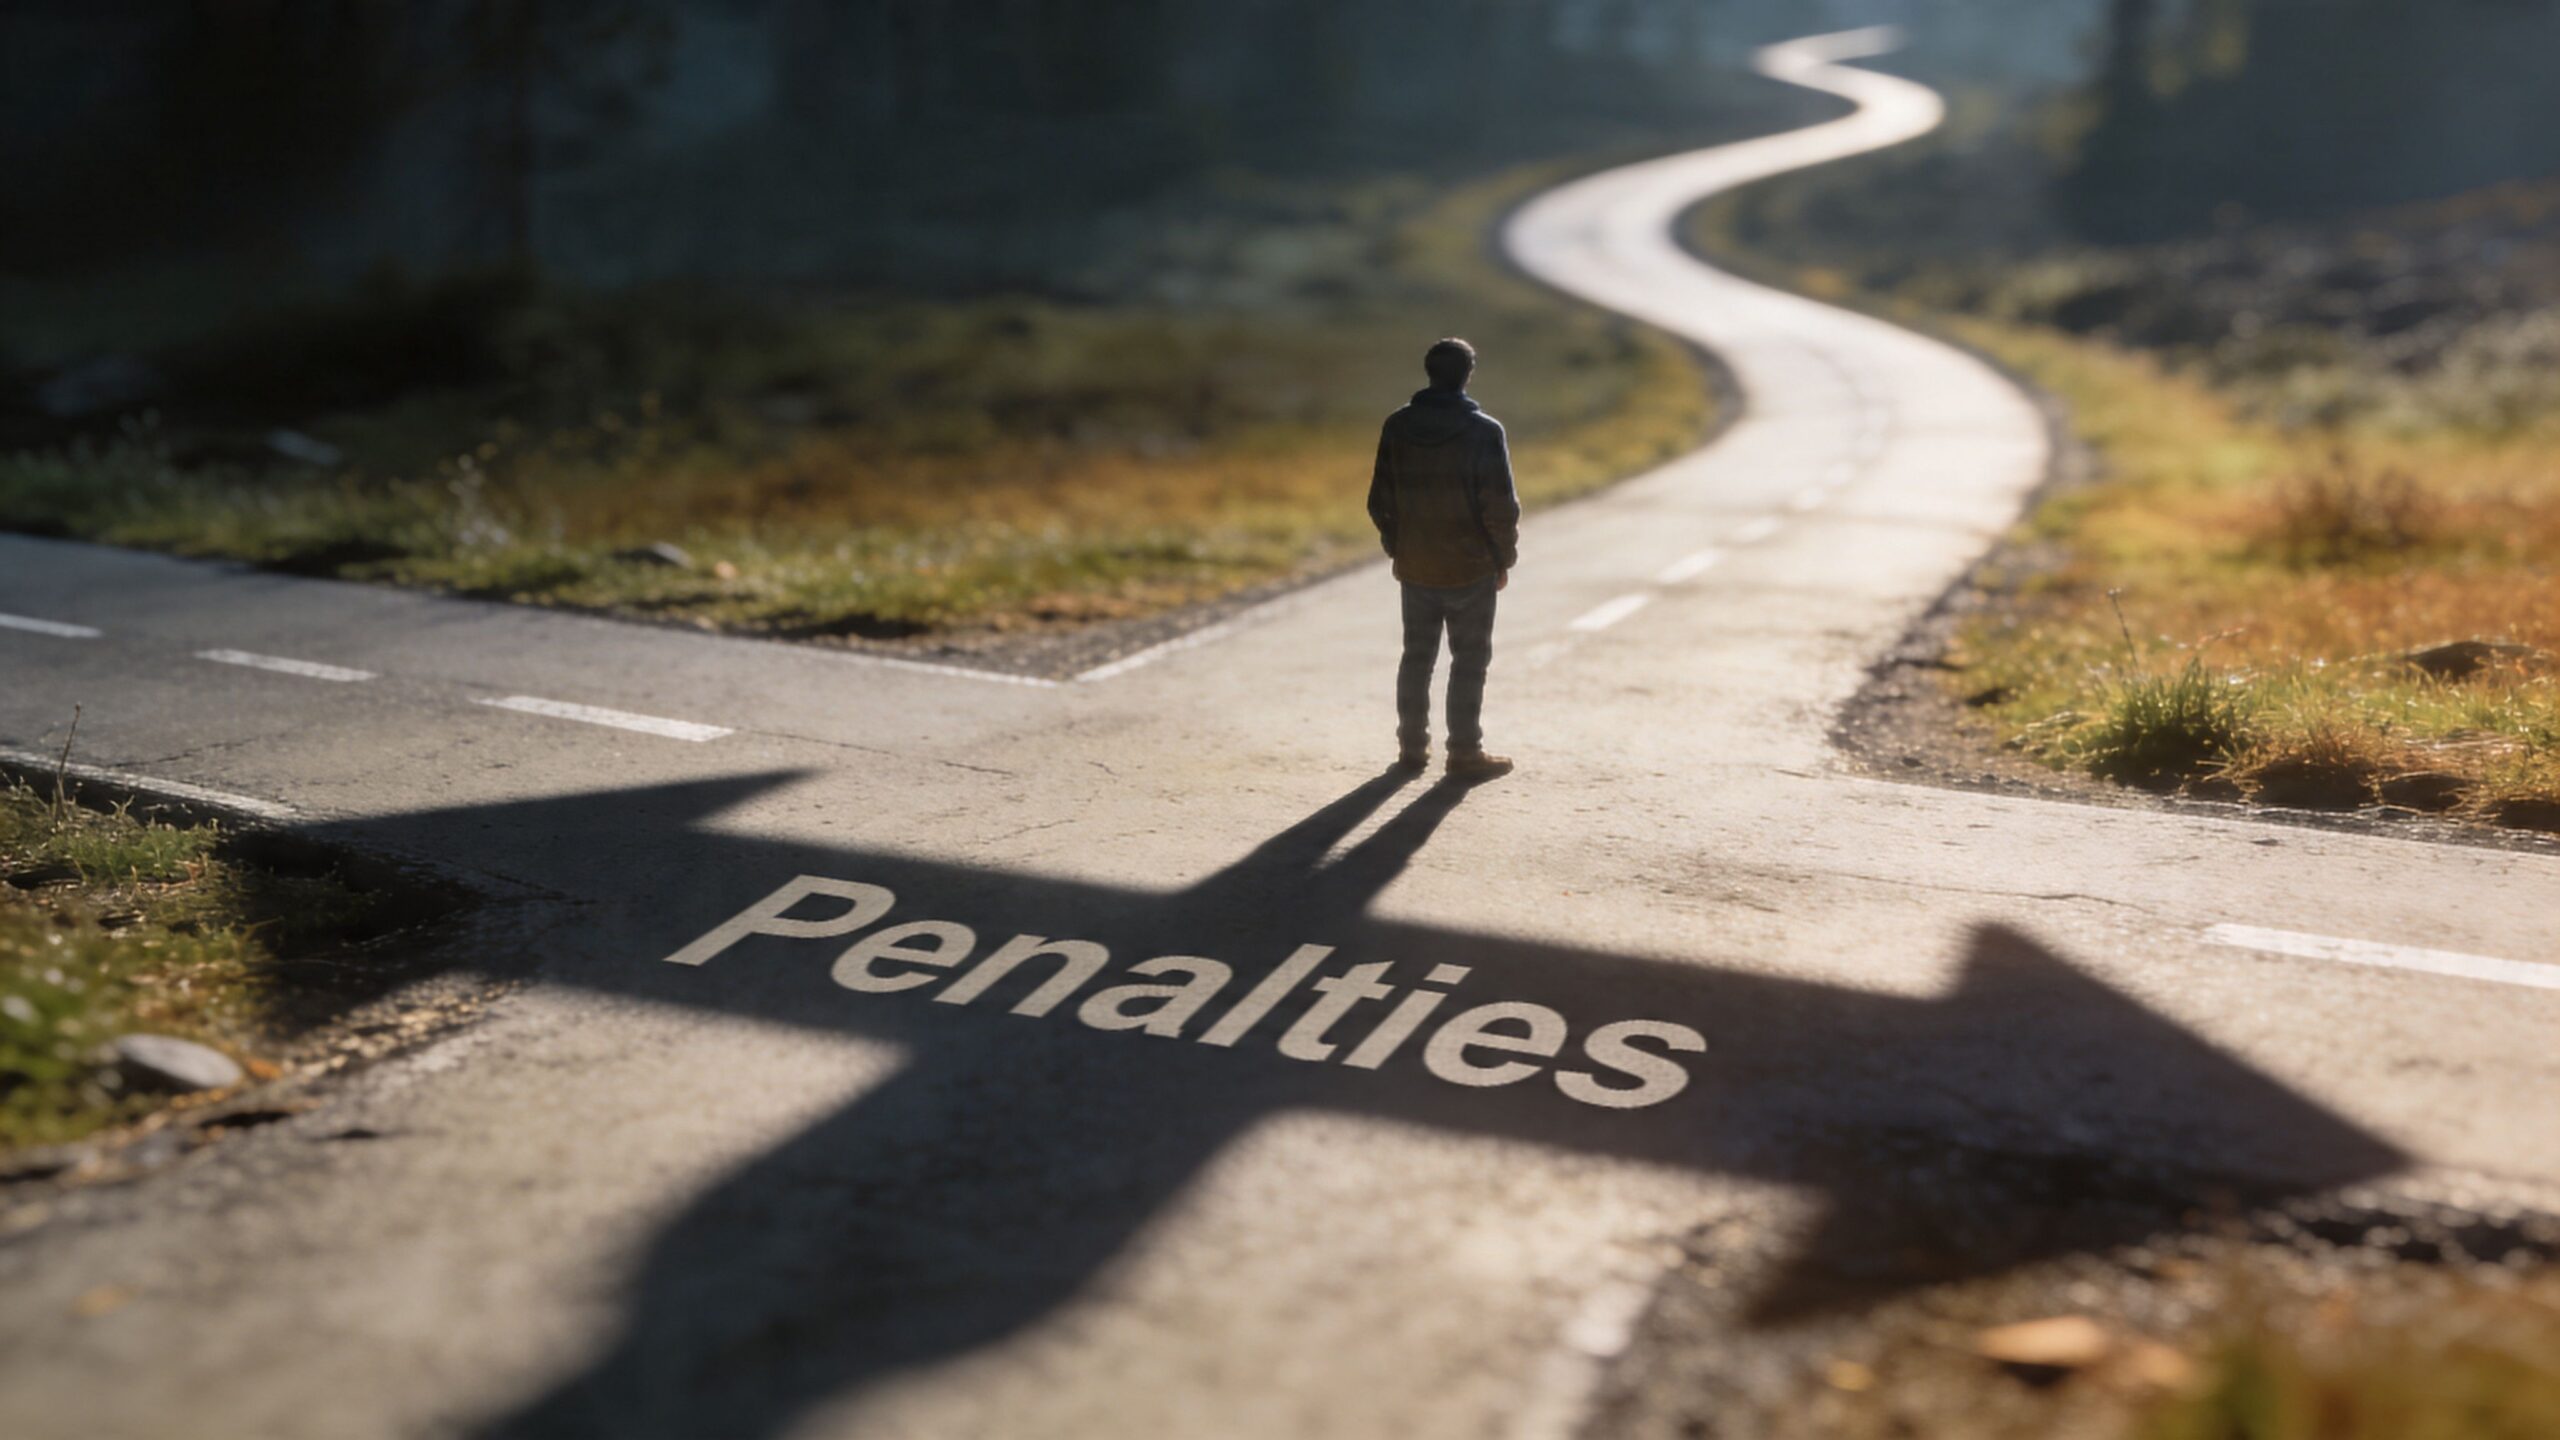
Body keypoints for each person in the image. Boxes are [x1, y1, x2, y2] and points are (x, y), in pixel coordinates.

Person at [1367, 337, 1518, 781]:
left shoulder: (1397, 426)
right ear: (1467, 375)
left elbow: (1380, 500)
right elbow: (1500, 505)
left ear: (1429, 372)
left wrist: (1400, 545)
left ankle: (1412, 750)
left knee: (1416, 657)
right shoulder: (1485, 431)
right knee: (1469, 660)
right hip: (1471, 566)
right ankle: (1465, 752)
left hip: (1416, 564)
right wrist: (1502, 558)